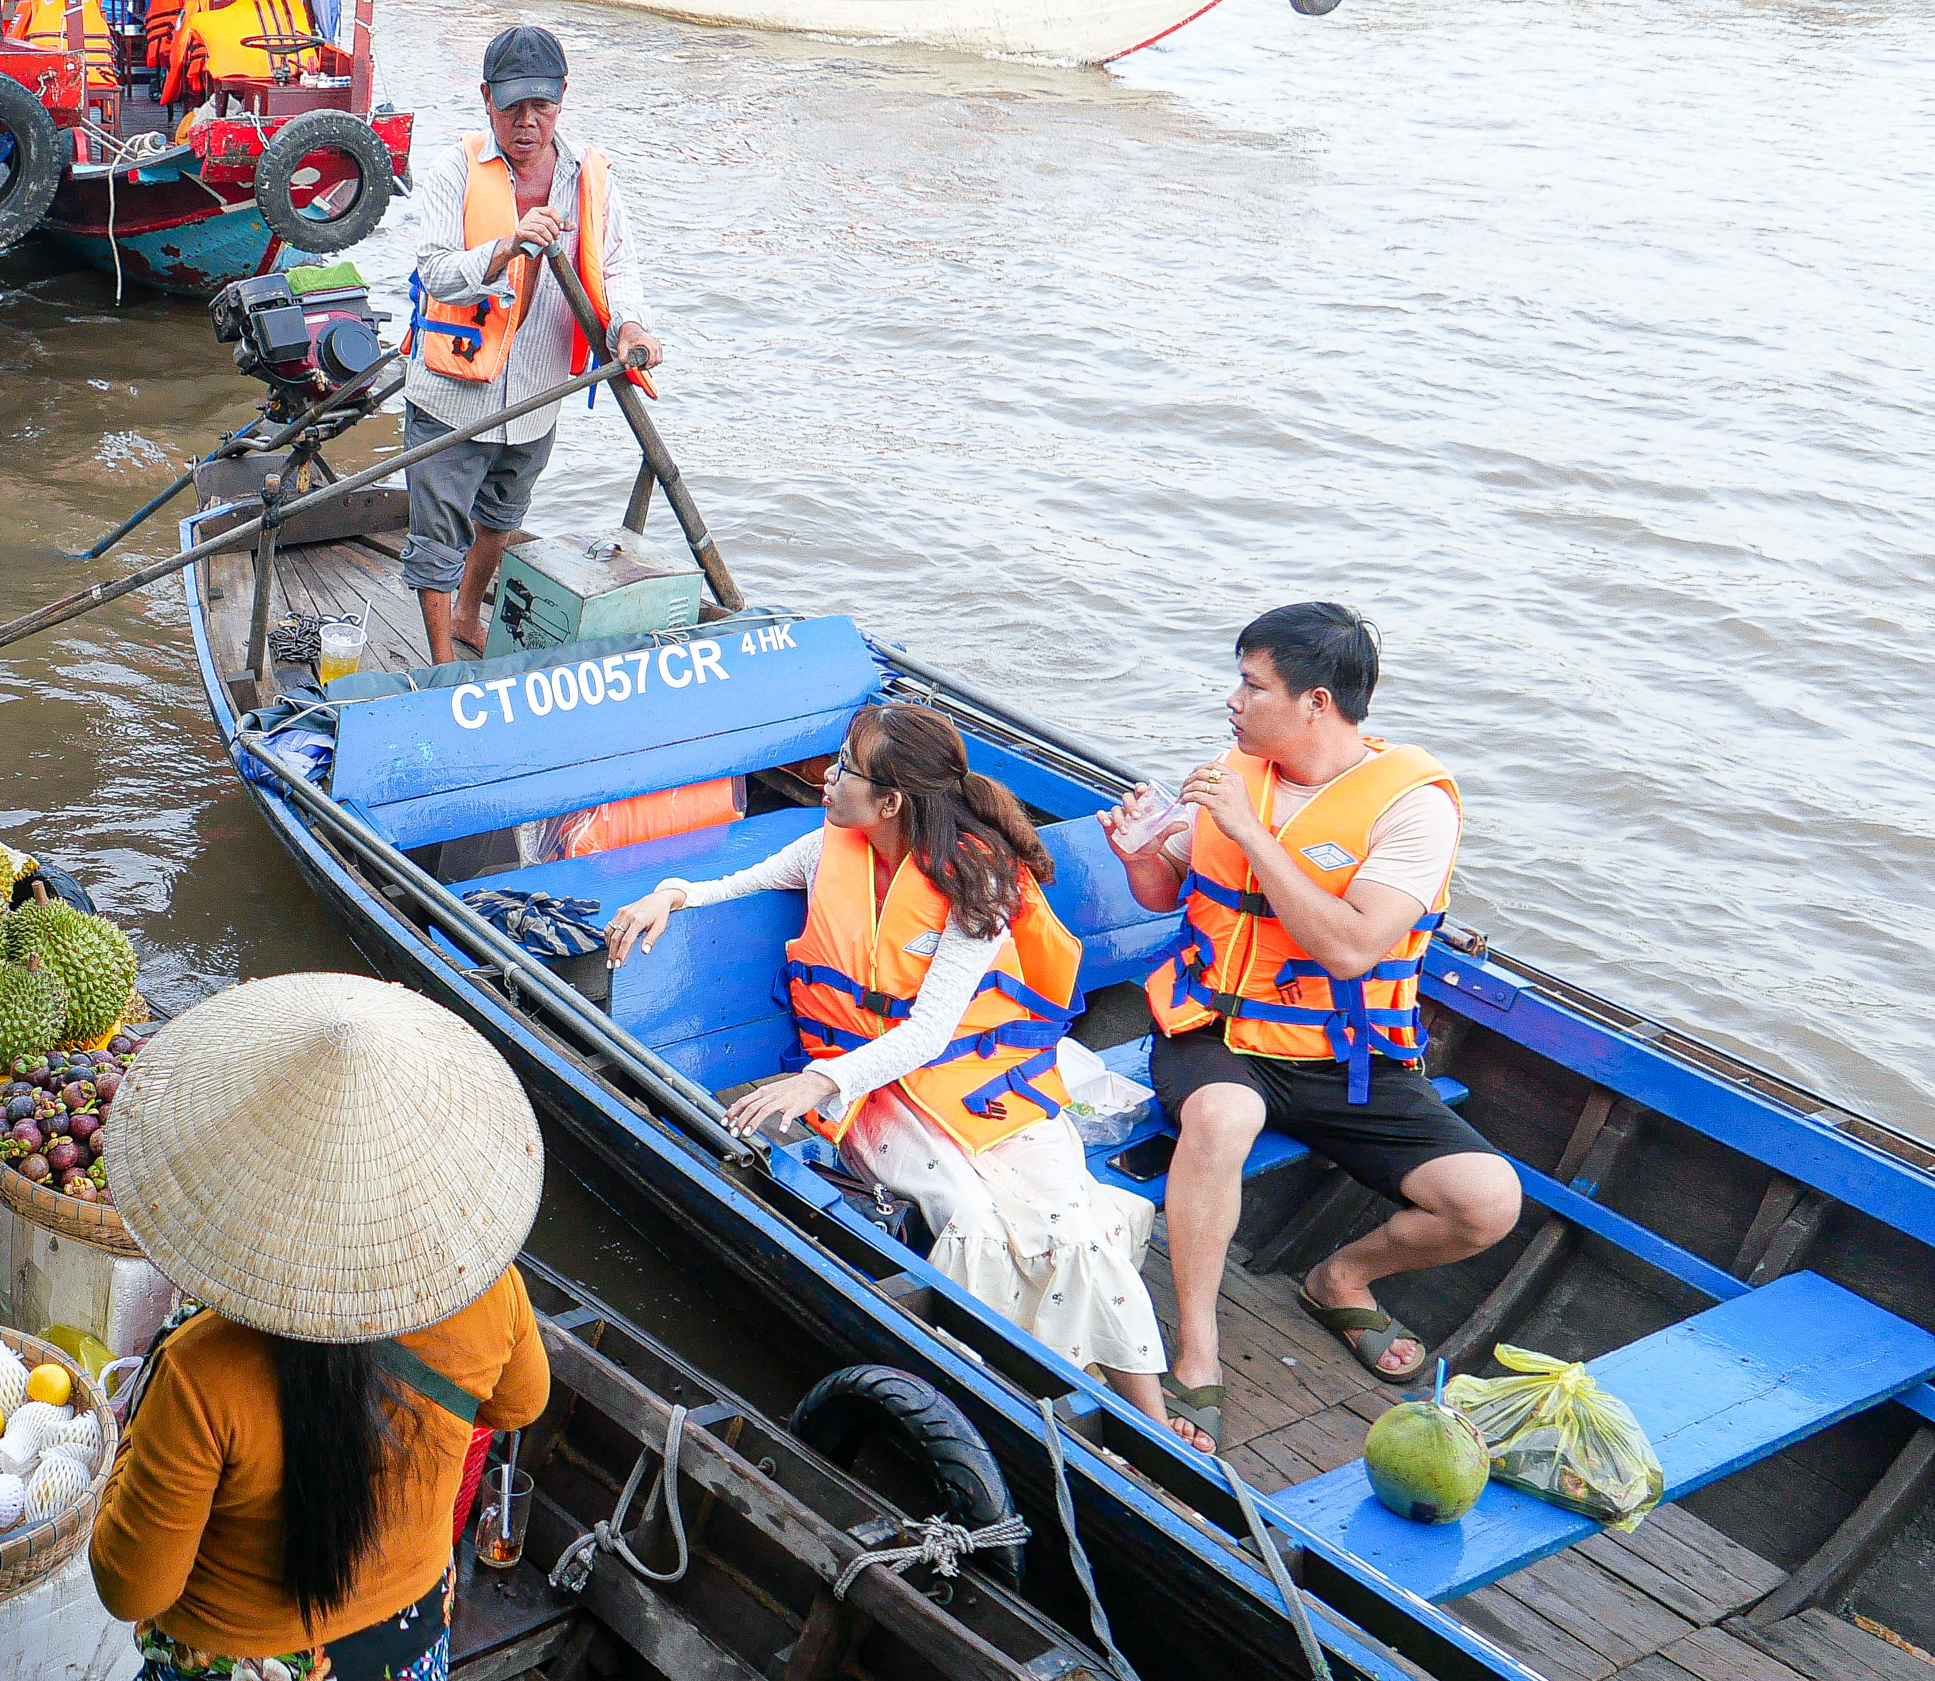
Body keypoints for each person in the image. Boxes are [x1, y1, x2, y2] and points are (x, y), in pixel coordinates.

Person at [95, 973, 550, 1681]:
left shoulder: (206, 1368)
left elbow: (134, 1584)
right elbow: (520, 1396)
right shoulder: (484, 1285)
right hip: (403, 1655)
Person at [604, 705, 1168, 1425]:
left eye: (845, 769)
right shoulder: (826, 850)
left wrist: (816, 1080)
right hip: (876, 1094)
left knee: (1076, 1225)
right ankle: (994, 1402)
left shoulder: (976, 883)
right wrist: (669, 893)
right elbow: (734, 884)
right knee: (972, 1221)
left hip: (980, 1085)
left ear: (890, 801)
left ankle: (1145, 1420)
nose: (827, 778)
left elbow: (931, 1030)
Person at [1108, 604, 1521, 1453]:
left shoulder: (1413, 809)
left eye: (1252, 685)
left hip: (1347, 1054)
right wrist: (1142, 855)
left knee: (1488, 1204)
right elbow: (1168, 892)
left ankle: (1342, 1278)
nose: (1232, 700)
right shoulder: (1238, 772)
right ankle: (1197, 1345)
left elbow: (1350, 949)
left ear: (1316, 703)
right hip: (1212, 1030)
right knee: (1224, 1117)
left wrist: (1251, 835)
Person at [402, 25, 664, 666]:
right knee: (437, 533)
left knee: (504, 509)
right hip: (453, 394)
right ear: (486, 98)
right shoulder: (453, 170)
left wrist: (629, 324)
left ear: (562, 99)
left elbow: (619, 265)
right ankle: (441, 663)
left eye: (540, 107)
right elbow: (434, 270)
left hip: (540, 392)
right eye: (512, 106)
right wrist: (504, 248)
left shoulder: (590, 178)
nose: (527, 122)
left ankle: (469, 612)